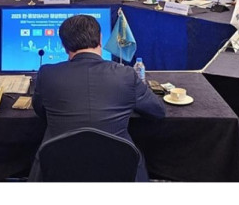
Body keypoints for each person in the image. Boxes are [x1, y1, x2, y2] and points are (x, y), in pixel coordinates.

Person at [30, 14, 166, 181]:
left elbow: (40, 110)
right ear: (100, 39)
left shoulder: (47, 74)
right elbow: (158, 111)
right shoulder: (126, 74)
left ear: (64, 46)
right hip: (118, 166)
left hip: (59, 166)